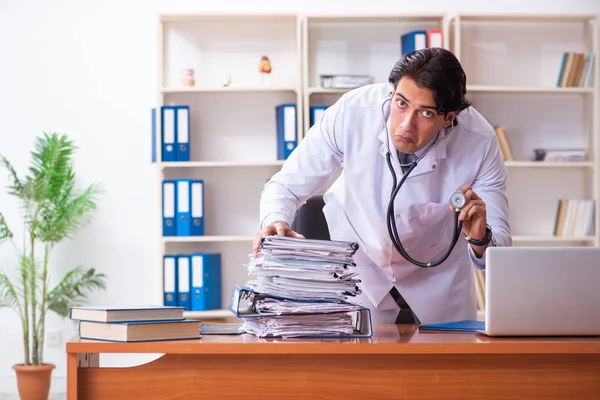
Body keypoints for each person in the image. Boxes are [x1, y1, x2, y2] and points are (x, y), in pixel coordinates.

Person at [253, 47, 511, 325]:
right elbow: (285, 185)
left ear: (448, 118)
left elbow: (498, 252)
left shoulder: (479, 142)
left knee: (446, 367)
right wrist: (275, 220)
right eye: (401, 104)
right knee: (355, 365)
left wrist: (480, 238)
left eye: (424, 114)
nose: (405, 126)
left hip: (438, 278)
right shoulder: (353, 112)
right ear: (392, 93)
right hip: (357, 268)